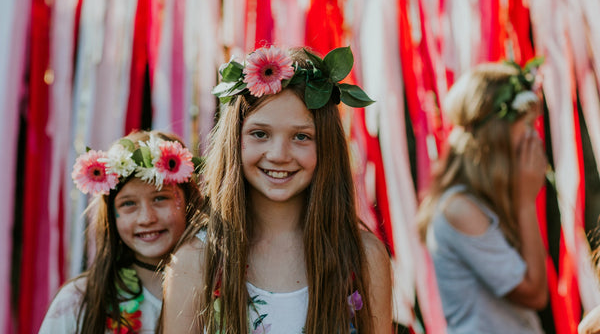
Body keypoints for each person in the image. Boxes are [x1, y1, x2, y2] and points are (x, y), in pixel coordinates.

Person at [161, 45, 392, 334]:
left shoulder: (363, 256)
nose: (279, 154)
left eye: (301, 136)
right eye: (260, 134)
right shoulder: (196, 260)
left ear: (327, 146)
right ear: (235, 140)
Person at [417, 62, 548, 333]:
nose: (533, 137)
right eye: (526, 125)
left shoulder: (484, 200)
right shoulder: (459, 210)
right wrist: (526, 203)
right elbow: (535, 293)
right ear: (496, 133)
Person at [39, 130, 202, 334]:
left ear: (190, 201)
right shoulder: (78, 301)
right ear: (110, 215)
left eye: (160, 198)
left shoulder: (221, 289)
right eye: (128, 204)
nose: (146, 218)